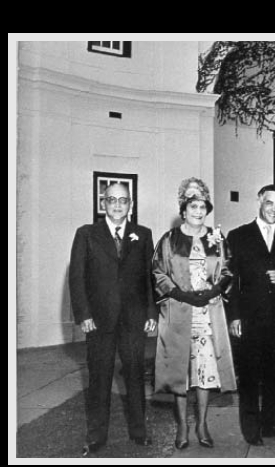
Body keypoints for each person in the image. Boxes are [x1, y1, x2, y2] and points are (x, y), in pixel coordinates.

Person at [69, 183, 157, 456]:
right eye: (112, 200)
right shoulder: (86, 234)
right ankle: (96, 436)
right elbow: (77, 277)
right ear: (102, 203)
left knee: (134, 376)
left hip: (134, 319)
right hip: (99, 320)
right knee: (99, 378)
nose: (118, 205)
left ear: (131, 204)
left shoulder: (143, 234)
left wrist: (151, 313)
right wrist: (83, 314)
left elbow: (150, 277)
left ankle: (139, 432)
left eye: (123, 200)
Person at [152, 177, 236, 450]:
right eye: (193, 206)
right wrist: (182, 294)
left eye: (202, 207)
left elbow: (227, 270)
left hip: (208, 313)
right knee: (181, 370)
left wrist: (214, 291)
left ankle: (202, 423)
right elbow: (158, 272)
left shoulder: (217, 238)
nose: (198, 212)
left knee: (205, 370)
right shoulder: (170, 239)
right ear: (183, 209)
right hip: (179, 311)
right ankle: (182, 426)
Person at [227, 184, 275, 446]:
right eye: (269, 203)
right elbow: (231, 280)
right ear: (260, 200)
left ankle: (271, 423)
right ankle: (251, 427)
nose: (274, 209)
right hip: (249, 316)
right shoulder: (238, 235)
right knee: (249, 372)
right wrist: (234, 316)